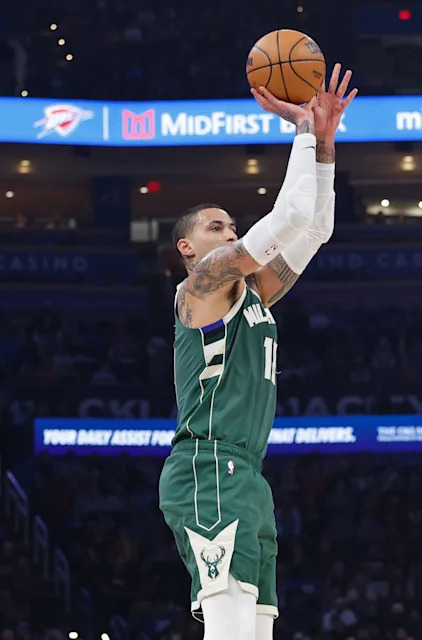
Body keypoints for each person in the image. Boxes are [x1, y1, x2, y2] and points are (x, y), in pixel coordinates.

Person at [158, 65, 357, 640]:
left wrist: (323, 145)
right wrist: (300, 129)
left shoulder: (255, 291)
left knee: (256, 626)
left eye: (232, 226)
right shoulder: (200, 285)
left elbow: (314, 228)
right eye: (218, 226)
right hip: (206, 465)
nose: (230, 231)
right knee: (227, 626)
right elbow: (289, 216)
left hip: (246, 471)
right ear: (188, 246)